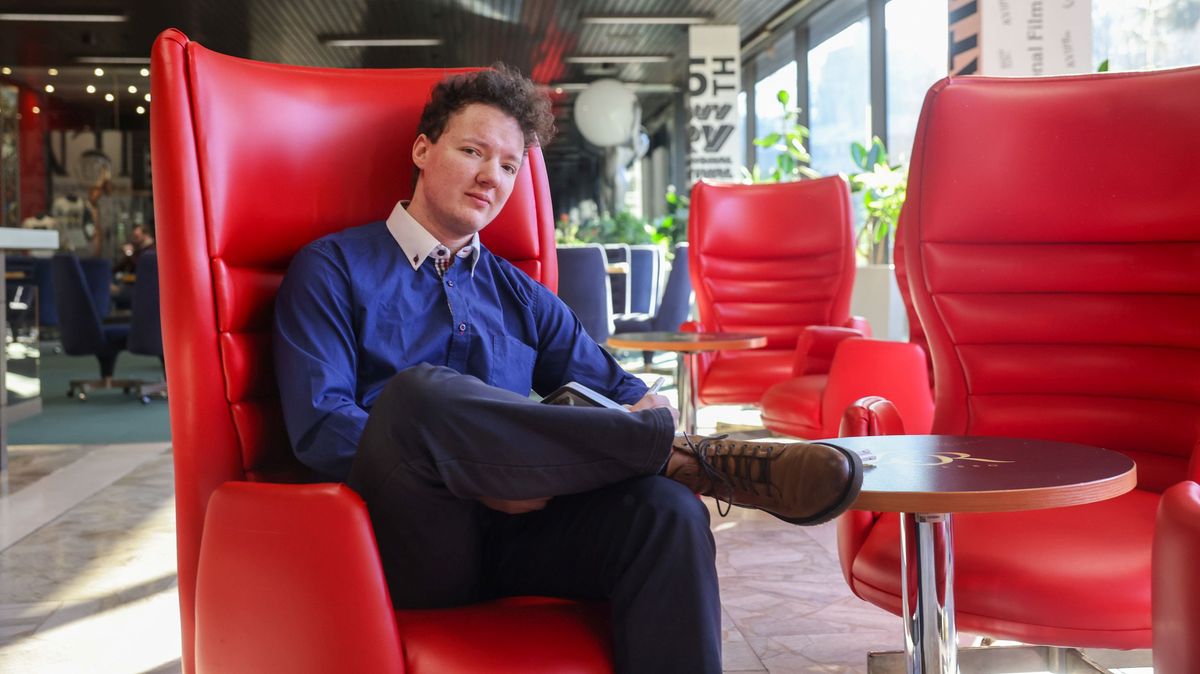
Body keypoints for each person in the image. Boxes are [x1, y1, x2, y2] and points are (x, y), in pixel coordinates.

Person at [273, 65, 865, 674]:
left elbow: (627, 396)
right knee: (418, 397)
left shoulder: (521, 295)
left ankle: (677, 463)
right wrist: (484, 473)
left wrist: (566, 456)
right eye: (473, 151)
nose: (491, 177)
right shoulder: (332, 268)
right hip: (400, 539)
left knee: (668, 513)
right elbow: (322, 428)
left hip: (518, 536)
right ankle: (688, 459)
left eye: (509, 166)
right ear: (423, 150)